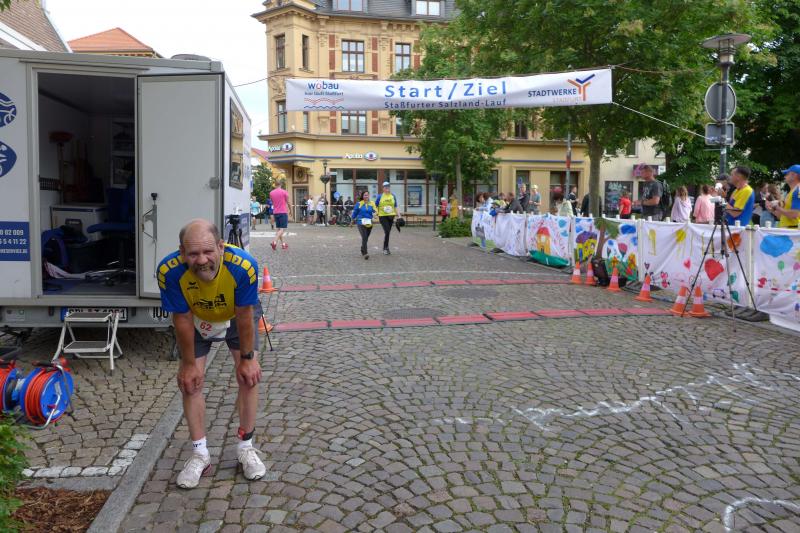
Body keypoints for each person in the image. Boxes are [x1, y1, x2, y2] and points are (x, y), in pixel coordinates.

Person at [158, 219, 266, 489]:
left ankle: (246, 447)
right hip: (195, 317)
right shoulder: (169, 271)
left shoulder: (243, 266)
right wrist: (188, 364)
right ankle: (200, 454)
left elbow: (245, 313)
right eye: (193, 254)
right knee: (190, 382)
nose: (202, 260)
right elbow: (181, 318)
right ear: (182, 252)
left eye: (208, 251)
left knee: (248, 378)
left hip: (236, 316)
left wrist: (248, 360)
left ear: (221, 246)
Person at [766, 164, 800, 228]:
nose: (785, 176)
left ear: (794, 175)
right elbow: (782, 216)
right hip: (789, 229)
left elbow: (794, 214)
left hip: (793, 230)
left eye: (787, 174)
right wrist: (771, 210)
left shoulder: (798, 190)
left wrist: (777, 207)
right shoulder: (792, 191)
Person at [350, 190, 377, 259]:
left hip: (369, 223)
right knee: (364, 237)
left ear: (369, 196)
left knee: (366, 238)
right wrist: (352, 221)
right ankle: (365, 253)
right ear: (362, 196)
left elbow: (375, 211)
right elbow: (354, 213)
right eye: (365, 195)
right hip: (360, 222)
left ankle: (362, 248)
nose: (366, 196)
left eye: (367, 195)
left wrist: (375, 214)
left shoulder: (372, 203)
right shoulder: (359, 204)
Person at [376, 181, 400, 254]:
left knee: (388, 232)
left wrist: (399, 215)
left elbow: (395, 206)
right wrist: (376, 213)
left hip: (391, 216)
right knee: (387, 231)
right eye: (385, 187)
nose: (387, 188)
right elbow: (375, 206)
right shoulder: (379, 196)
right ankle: (385, 248)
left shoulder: (393, 196)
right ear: (383, 188)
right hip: (382, 216)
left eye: (388, 187)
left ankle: (386, 247)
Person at [269, 180, 291, 250]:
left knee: (278, 229)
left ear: (275, 185)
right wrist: (290, 210)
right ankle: (274, 242)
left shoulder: (271, 193)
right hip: (283, 212)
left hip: (275, 212)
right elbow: (288, 202)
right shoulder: (284, 192)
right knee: (282, 229)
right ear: (281, 184)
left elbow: (272, 202)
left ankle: (283, 244)